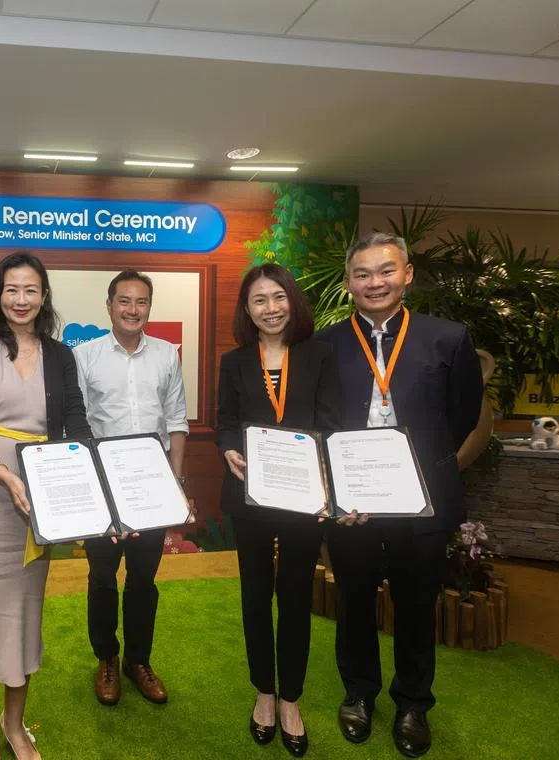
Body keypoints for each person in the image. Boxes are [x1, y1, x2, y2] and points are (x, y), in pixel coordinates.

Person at [317, 232, 483, 758]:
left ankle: (413, 702)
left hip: (422, 503)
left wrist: (423, 467)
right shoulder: (326, 343)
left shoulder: (447, 338)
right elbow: (319, 420)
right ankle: (359, 693)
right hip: (354, 504)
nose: (374, 282)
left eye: (385, 270)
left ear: (407, 274)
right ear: (348, 284)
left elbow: (461, 416)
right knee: (355, 601)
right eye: (362, 274)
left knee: (416, 605)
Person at [0, 250, 91, 760]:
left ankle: (15, 725)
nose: (21, 299)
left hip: (41, 504)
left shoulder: (62, 355)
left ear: (44, 296)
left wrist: (90, 489)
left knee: (25, 615)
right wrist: (3, 472)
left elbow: (77, 422)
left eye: (31, 290)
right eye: (12, 289)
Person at [218, 263, 341, 758]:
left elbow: (331, 423)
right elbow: (227, 422)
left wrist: (321, 478)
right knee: (254, 596)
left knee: (293, 598)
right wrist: (228, 449)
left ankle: (290, 698)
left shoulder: (320, 356)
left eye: (277, 297)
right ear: (247, 310)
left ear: (293, 300)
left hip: (303, 496)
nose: (270, 309)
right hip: (250, 495)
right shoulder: (234, 361)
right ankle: (262, 693)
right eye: (259, 301)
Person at [72, 270, 188, 707]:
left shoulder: (167, 355)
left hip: (151, 487)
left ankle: (138, 661)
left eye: (141, 302)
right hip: (103, 485)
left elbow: (176, 421)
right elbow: (77, 424)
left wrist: (175, 484)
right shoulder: (85, 356)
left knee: (143, 579)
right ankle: (106, 658)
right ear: (109, 306)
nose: (132, 309)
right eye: (124, 301)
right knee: (102, 577)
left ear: (149, 308)